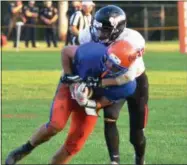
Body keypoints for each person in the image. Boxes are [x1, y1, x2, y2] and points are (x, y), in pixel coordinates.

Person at [5, 40, 139, 165]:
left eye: (114, 67)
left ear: (124, 71)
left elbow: (102, 103)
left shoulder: (127, 85)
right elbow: (66, 51)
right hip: (71, 86)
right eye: (108, 60)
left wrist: (86, 102)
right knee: (55, 124)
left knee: (75, 144)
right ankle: (25, 149)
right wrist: (71, 80)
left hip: (91, 100)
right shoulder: (92, 54)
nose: (108, 66)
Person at [79, 5, 149, 165]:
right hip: (110, 76)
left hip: (135, 81)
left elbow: (127, 77)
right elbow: (80, 57)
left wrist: (98, 82)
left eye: (104, 30)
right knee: (110, 117)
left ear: (117, 29)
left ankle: (140, 158)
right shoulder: (88, 35)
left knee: (136, 134)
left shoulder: (132, 41)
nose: (99, 33)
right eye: (98, 28)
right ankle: (114, 161)